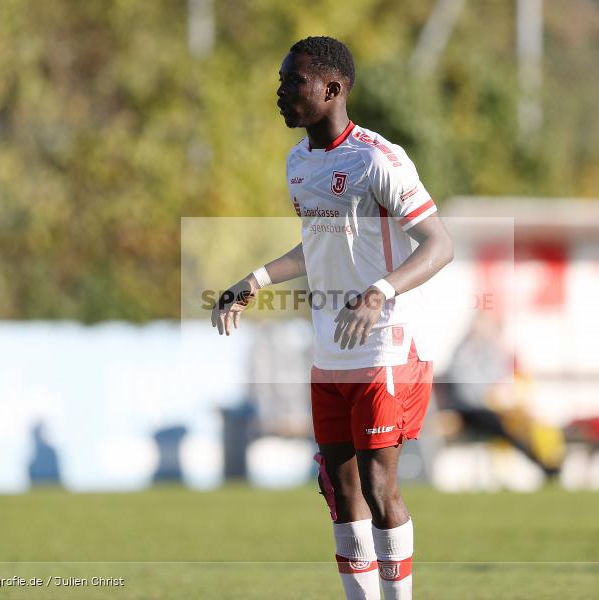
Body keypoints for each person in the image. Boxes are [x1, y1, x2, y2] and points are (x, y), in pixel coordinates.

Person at [211, 36, 453, 600]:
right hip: (330, 353)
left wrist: (379, 292)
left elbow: (439, 245)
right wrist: (256, 280)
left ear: (333, 88)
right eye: (281, 80)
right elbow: (318, 246)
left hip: (383, 350)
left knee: (378, 484)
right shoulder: (298, 162)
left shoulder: (378, 160)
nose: (280, 91)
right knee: (340, 492)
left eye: (292, 81)